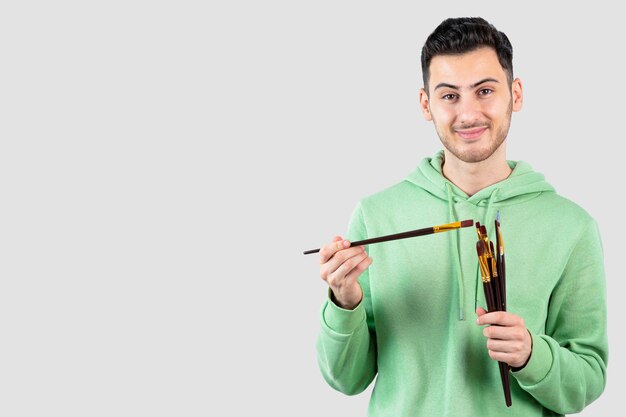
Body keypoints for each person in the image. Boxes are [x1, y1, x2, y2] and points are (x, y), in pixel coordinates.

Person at [315, 17, 608, 416]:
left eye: (484, 91)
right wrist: (344, 301)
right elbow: (345, 378)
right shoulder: (376, 215)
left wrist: (531, 355)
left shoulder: (572, 227)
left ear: (515, 94)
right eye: (449, 96)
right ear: (426, 104)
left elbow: (587, 382)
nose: (468, 113)